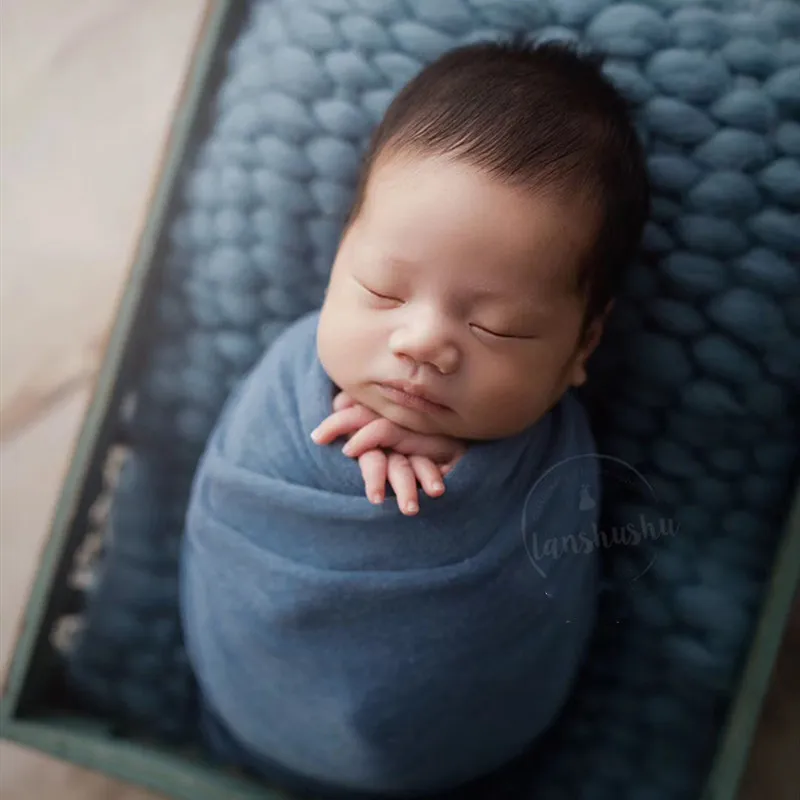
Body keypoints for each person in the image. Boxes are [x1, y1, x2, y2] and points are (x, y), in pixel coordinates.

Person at [179, 36, 650, 799]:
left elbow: (548, 576)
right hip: (255, 700)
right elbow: (237, 502)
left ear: (581, 345)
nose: (423, 342)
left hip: (460, 751)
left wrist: (466, 480)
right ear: (340, 257)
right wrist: (334, 447)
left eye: (495, 327)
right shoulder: (286, 380)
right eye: (385, 292)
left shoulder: (560, 463)